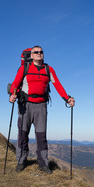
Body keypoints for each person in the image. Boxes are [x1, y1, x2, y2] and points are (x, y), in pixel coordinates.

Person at [9, 45, 75, 173]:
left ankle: (43, 164)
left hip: (41, 106)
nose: (39, 53)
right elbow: (15, 84)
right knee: (23, 135)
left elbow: (58, 85)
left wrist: (67, 99)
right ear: (31, 55)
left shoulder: (48, 69)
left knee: (41, 136)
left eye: (41, 52)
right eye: (36, 52)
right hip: (25, 105)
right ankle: (21, 161)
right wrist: (12, 95)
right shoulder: (25, 68)